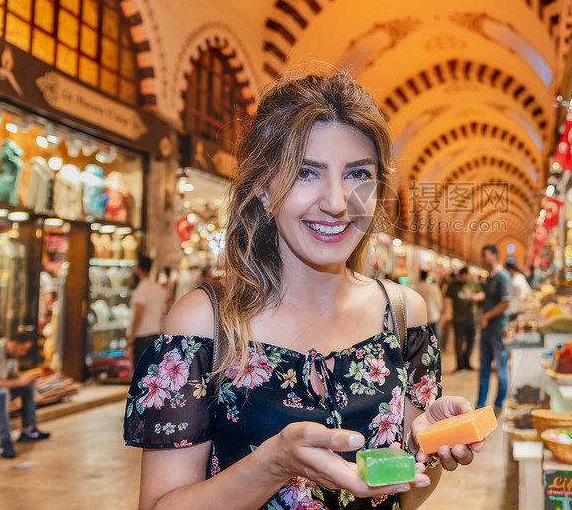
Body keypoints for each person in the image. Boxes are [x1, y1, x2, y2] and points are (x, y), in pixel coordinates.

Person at [123, 71, 482, 510]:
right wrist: (271, 464)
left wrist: (428, 444)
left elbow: (408, 496)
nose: (336, 201)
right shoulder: (204, 323)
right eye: (305, 172)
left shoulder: (405, 314)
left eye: (358, 175)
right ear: (262, 185)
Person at [0, 331, 50, 459]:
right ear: (15, 344)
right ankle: (4, 441)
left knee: (28, 385)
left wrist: (27, 378)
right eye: (23, 349)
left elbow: (12, 374)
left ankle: (28, 430)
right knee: (3, 393)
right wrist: (19, 381)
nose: (24, 354)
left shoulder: (11, 354)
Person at [476, 245, 511, 414]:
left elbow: (505, 303)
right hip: (486, 330)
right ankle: (480, 405)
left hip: (497, 329)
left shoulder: (503, 277)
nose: (483, 259)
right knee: (484, 368)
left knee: (501, 368)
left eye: (485, 255)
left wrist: (487, 316)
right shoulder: (490, 278)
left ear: (495, 255)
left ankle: (498, 404)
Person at [127, 256, 168, 365]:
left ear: (138, 269)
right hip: (155, 334)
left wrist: (131, 338)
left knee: (139, 373)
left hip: (141, 336)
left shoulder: (141, 289)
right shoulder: (158, 288)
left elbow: (138, 315)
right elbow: (162, 312)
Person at [443, 268, 483, 372]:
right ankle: (460, 364)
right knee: (458, 342)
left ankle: (467, 362)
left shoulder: (473, 283)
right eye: (464, 275)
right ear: (460, 275)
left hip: (471, 318)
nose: (466, 277)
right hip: (458, 318)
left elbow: (482, 294)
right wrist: (443, 314)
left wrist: (476, 297)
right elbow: (446, 300)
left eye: (467, 275)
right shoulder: (453, 285)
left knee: (471, 341)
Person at [413, 270, 443, 347]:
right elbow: (438, 300)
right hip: (433, 314)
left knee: (423, 336)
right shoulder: (433, 287)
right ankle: (436, 352)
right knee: (435, 335)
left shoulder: (417, 287)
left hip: (420, 316)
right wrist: (440, 310)